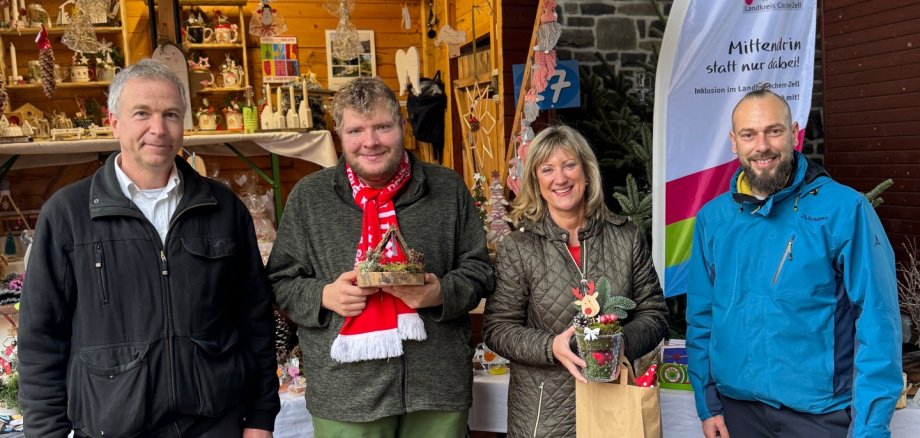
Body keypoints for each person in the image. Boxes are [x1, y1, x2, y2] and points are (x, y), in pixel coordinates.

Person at [17, 59, 280, 437]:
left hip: (214, 422)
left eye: (170, 114)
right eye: (142, 113)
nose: (158, 129)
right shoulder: (68, 214)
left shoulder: (223, 209)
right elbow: (41, 338)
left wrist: (260, 416)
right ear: (114, 122)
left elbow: (255, 320)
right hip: (114, 426)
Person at [267, 77, 494, 437]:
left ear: (403, 126)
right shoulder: (309, 198)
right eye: (356, 130)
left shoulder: (447, 188)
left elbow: (480, 270)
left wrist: (441, 293)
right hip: (346, 396)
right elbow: (280, 281)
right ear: (339, 134)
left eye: (382, 127)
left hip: (435, 387)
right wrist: (325, 296)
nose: (370, 141)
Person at [686, 89, 903, 438]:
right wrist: (708, 403)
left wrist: (870, 428)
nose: (762, 146)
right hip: (738, 412)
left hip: (821, 416)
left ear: (794, 134)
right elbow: (702, 317)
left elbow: (878, 321)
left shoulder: (844, 210)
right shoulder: (713, 219)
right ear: (734, 142)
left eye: (773, 131)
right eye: (748, 134)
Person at [482, 124, 669, 437]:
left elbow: (655, 314)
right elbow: (498, 329)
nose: (560, 178)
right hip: (543, 416)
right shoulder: (519, 247)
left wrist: (620, 344)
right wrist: (551, 346)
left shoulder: (626, 237)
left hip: (615, 408)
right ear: (536, 181)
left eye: (569, 165)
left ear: (587, 171)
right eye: (547, 169)